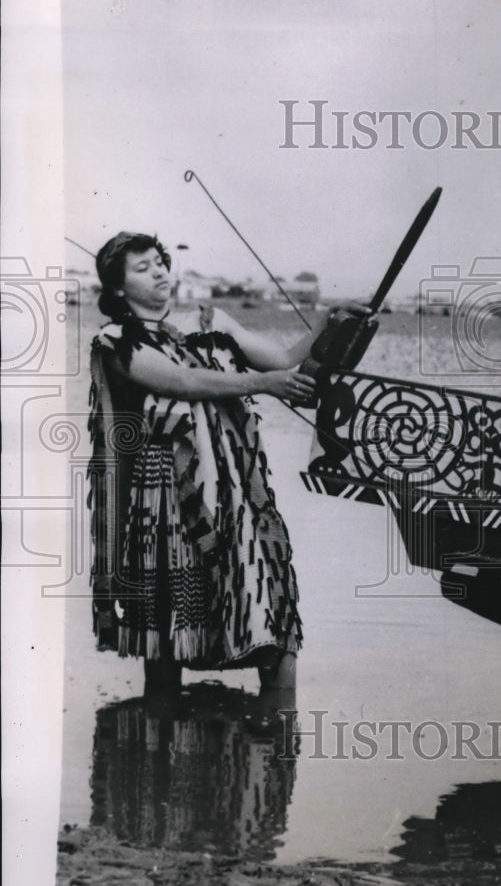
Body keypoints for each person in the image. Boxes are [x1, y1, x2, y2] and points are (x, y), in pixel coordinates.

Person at [88, 230, 368, 691]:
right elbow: (182, 380)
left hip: (238, 487)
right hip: (167, 498)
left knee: (267, 609)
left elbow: (282, 360)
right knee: (169, 630)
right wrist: (264, 384)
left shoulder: (210, 318)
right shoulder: (116, 341)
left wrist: (326, 323)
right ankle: (160, 741)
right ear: (118, 288)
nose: (159, 270)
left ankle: (275, 737)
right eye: (143, 267)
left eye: (159, 261)